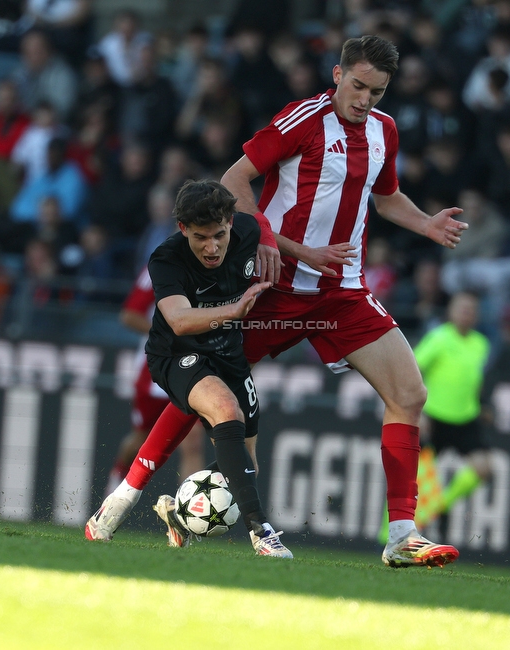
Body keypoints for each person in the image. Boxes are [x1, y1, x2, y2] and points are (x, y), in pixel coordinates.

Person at [92, 35, 467, 569]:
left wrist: (424, 221)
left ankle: (402, 535)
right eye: (358, 86)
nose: (365, 100)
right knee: (204, 387)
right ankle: (121, 500)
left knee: (409, 393)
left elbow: (385, 198)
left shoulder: (384, 132)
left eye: (377, 91)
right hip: (273, 286)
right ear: (337, 76)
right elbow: (233, 181)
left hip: (342, 291)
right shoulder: (302, 120)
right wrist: (269, 239)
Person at [85, 179, 292, 558]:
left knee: (247, 467)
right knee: (226, 409)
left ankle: (168, 514)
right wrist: (234, 310)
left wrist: (272, 241)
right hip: (176, 353)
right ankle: (262, 534)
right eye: (200, 237)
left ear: (230, 222)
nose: (211, 247)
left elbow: (259, 220)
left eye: (218, 235)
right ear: (182, 229)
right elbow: (179, 320)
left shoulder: (247, 229)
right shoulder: (166, 259)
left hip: (228, 354)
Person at [103, 264, 206, 495]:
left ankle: (187, 514)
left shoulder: (216, 268)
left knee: (193, 441)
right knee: (142, 437)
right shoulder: (159, 267)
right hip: (155, 372)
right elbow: (129, 315)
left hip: (192, 370)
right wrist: (170, 334)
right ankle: (116, 481)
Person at [409, 293, 492, 529]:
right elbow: (414, 369)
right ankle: (386, 538)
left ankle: (439, 506)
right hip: (434, 417)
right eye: (462, 308)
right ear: (451, 312)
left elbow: (475, 379)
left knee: (483, 469)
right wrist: (419, 411)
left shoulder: (481, 344)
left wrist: (483, 404)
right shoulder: (438, 338)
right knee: (416, 482)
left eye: (471, 310)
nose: (467, 314)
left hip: (465, 417)